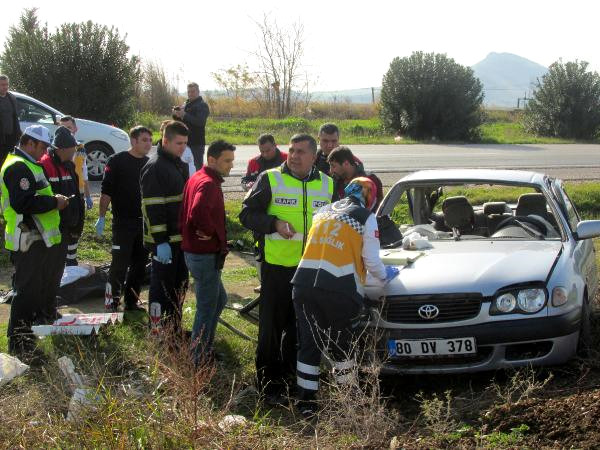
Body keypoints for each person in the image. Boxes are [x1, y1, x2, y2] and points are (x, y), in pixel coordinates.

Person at [291, 177, 399, 418]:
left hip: (303, 284)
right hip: (338, 288)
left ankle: (306, 403)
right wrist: (386, 276)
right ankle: (348, 401)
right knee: (342, 346)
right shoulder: (365, 217)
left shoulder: (322, 211)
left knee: (309, 345)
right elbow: (371, 261)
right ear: (370, 197)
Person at [239, 133, 335, 405]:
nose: (294, 156)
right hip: (277, 268)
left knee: (299, 330)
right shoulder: (270, 179)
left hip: (310, 270)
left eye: (301, 152)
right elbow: (246, 214)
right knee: (271, 329)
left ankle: (293, 379)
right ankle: (268, 387)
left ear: (314, 156)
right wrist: (274, 224)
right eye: (291, 150)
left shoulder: (327, 184)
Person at [1, 125, 68, 357]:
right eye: (42, 147)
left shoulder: (27, 163)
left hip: (33, 238)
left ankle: (27, 336)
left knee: (33, 289)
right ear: (29, 143)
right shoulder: (18, 167)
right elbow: (23, 203)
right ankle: (19, 343)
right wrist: (54, 202)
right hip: (25, 238)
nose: (44, 152)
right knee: (26, 291)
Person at [180, 140, 236, 364]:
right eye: (227, 161)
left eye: (232, 160)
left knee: (219, 299)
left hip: (198, 253)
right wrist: (209, 231)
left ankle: (205, 346)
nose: (231, 165)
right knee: (206, 307)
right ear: (211, 160)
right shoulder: (208, 183)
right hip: (204, 255)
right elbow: (197, 211)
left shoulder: (200, 177)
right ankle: (199, 358)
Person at [95, 126, 152, 312]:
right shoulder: (117, 161)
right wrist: (101, 217)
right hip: (123, 223)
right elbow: (106, 192)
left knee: (139, 265)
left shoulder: (150, 164)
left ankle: (131, 301)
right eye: (144, 140)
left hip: (143, 223)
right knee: (119, 266)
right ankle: (111, 302)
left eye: (150, 140)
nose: (148, 144)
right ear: (134, 141)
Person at [141, 120, 189, 335]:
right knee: (161, 289)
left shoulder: (178, 163)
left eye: (186, 143)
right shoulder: (155, 167)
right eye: (179, 143)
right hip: (164, 242)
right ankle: (157, 330)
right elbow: (153, 208)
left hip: (178, 239)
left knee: (178, 286)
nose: (183, 148)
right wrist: (161, 242)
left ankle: (174, 328)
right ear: (166, 141)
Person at [40, 126, 84, 278]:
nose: (74, 151)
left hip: (67, 224)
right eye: (72, 148)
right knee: (48, 267)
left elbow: (77, 194)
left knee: (62, 265)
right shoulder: (44, 165)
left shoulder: (69, 166)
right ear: (61, 149)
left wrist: (78, 220)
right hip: (50, 226)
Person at [58, 115, 93, 265]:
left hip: (77, 193)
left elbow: (83, 172)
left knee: (76, 228)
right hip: (63, 193)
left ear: (75, 129)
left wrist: (88, 195)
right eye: (63, 128)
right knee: (64, 228)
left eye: (69, 128)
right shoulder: (56, 149)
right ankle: (62, 259)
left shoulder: (80, 149)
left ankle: (71, 259)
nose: (67, 131)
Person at [327, 145, 384, 211]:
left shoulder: (370, 180)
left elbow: (379, 209)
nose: (331, 171)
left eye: (333, 166)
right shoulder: (337, 181)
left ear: (346, 163)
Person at [172, 82, 210, 170]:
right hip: (183, 141)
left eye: (193, 91)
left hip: (196, 143)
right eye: (188, 92)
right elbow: (181, 121)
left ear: (198, 92)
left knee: (196, 168)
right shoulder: (186, 104)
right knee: (183, 168)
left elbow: (200, 122)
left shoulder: (202, 105)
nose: (190, 94)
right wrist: (176, 114)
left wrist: (184, 114)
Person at [0, 74, 21, 168]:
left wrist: (19, 133)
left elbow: (15, 118)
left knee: (9, 164)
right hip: (1, 139)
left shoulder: (11, 98)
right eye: (2, 85)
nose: (5, 87)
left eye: (6, 84)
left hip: (11, 139)